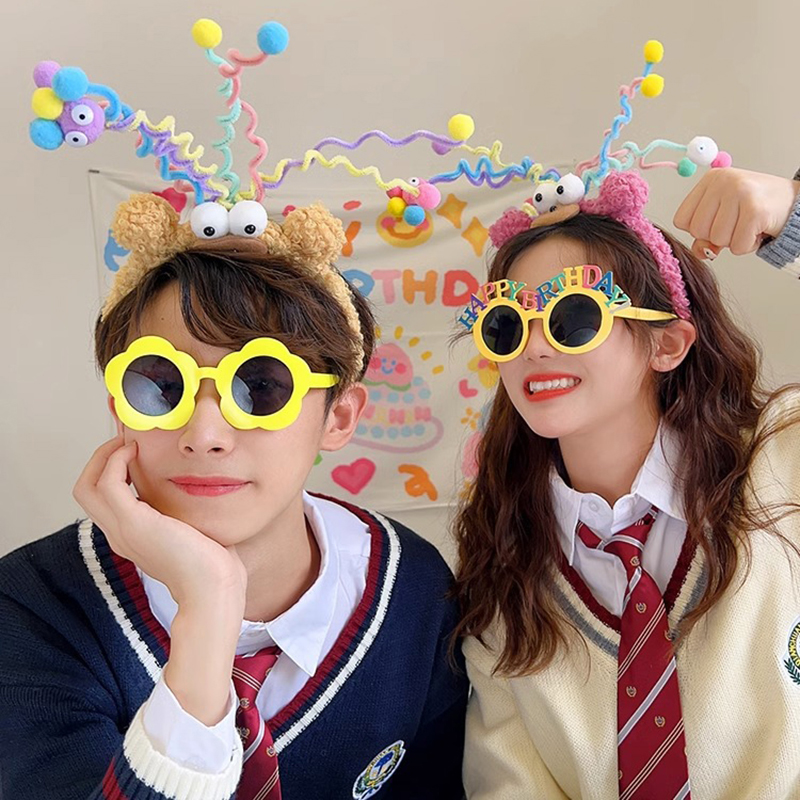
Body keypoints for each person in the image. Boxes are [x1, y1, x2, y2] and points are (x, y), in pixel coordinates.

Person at [2, 18, 469, 795]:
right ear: (120, 407)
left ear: (340, 416)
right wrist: (208, 609)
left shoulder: (413, 589)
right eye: (161, 385)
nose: (206, 433)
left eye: (262, 387)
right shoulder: (33, 608)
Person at [452, 160, 800, 799]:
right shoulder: (504, 557)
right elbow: (509, 783)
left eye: (572, 317)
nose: (534, 347)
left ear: (667, 344)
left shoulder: (783, 460)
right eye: (505, 324)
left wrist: (794, 213)